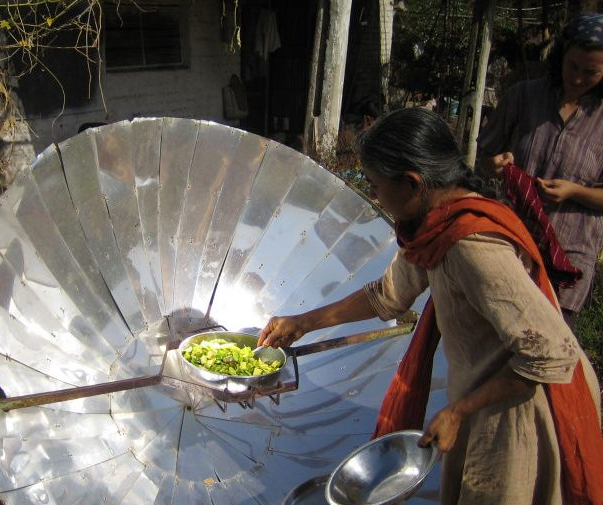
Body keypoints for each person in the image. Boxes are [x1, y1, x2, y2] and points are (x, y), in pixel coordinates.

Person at [257, 107, 602, 505]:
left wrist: (460, 411)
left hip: (519, 404)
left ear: (412, 183)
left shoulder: (469, 245)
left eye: (376, 185)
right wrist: (303, 321)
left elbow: (551, 354)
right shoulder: (433, 225)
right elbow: (386, 295)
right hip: (484, 390)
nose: (374, 196)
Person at [476, 13, 603, 330]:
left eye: (591, 72)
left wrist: (574, 192)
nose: (577, 78)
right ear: (561, 56)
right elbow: (484, 157)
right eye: (572, 66)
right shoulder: (523, 96)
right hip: (510, 243)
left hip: (569, 257)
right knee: (493, 340)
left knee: (547, 350)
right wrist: (493, 164)